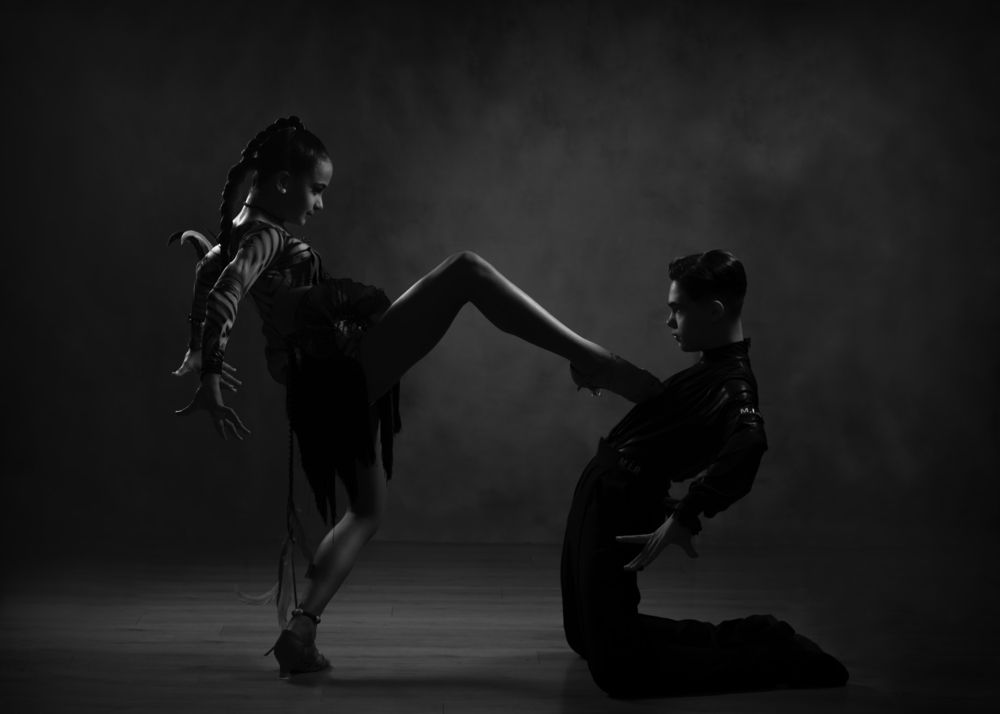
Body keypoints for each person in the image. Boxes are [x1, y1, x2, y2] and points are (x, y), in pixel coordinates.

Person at [169, 115, 665, 678]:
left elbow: (210, 280)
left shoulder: (232, 239)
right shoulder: (266, 236)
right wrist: (210, 372)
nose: (321, 204)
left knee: (366, 512)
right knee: (466, 271)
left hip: (317, 391)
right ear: (283, 182)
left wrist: (199, 354)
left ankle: (301, 631)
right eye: (316, 190)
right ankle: (593, 360)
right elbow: (227, 291)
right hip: (341, 374)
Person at [560, 249, 849, 697]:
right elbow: (666, 422)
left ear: (713, 311)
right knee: (583, 636)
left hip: (617, 499)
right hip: (600, 488)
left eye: (677, 309)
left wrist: (688, 513)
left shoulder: (734, 383)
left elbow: (750, 442)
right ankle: (755, 634)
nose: (669, 321)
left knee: (619, 673)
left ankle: (779, 654)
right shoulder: (708, 368)